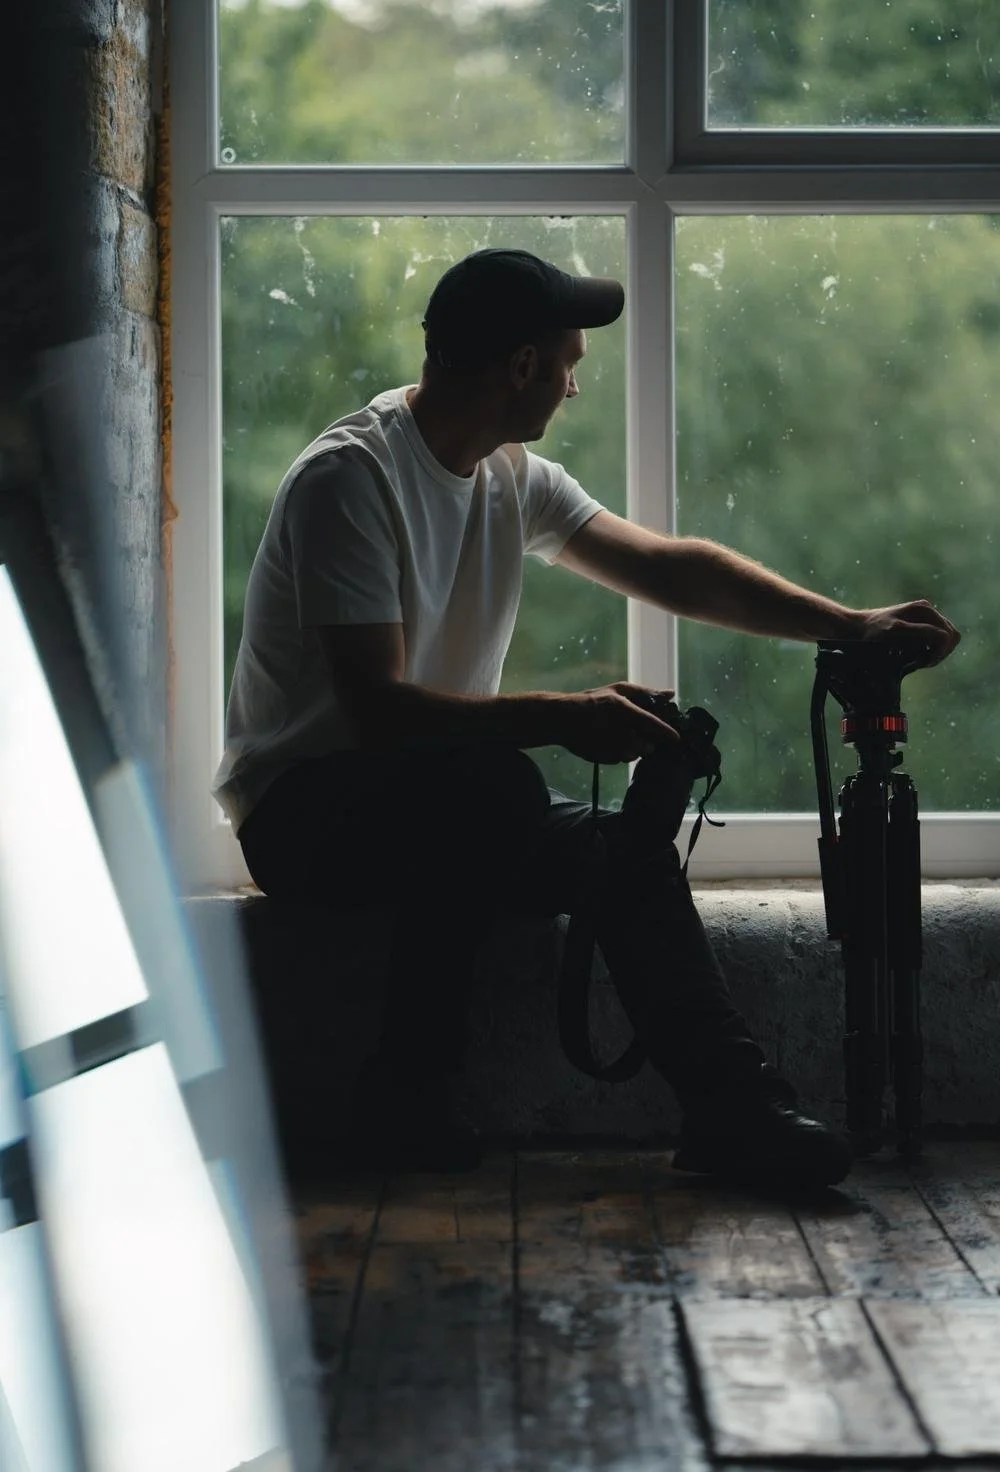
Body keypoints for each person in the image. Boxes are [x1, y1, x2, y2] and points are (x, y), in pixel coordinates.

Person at [213, 247, 961, 1185]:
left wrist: (849, 624)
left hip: (441, 802)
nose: (573, 387)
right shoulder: (350, 479)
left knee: (625, 850)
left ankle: (734, 1109)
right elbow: (375, 713)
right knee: (491, 786)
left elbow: (668, 568)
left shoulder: (510, 475)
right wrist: (566, 715)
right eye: (568, 364)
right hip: (301, 813)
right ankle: (404, 1094)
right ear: (521, 366)